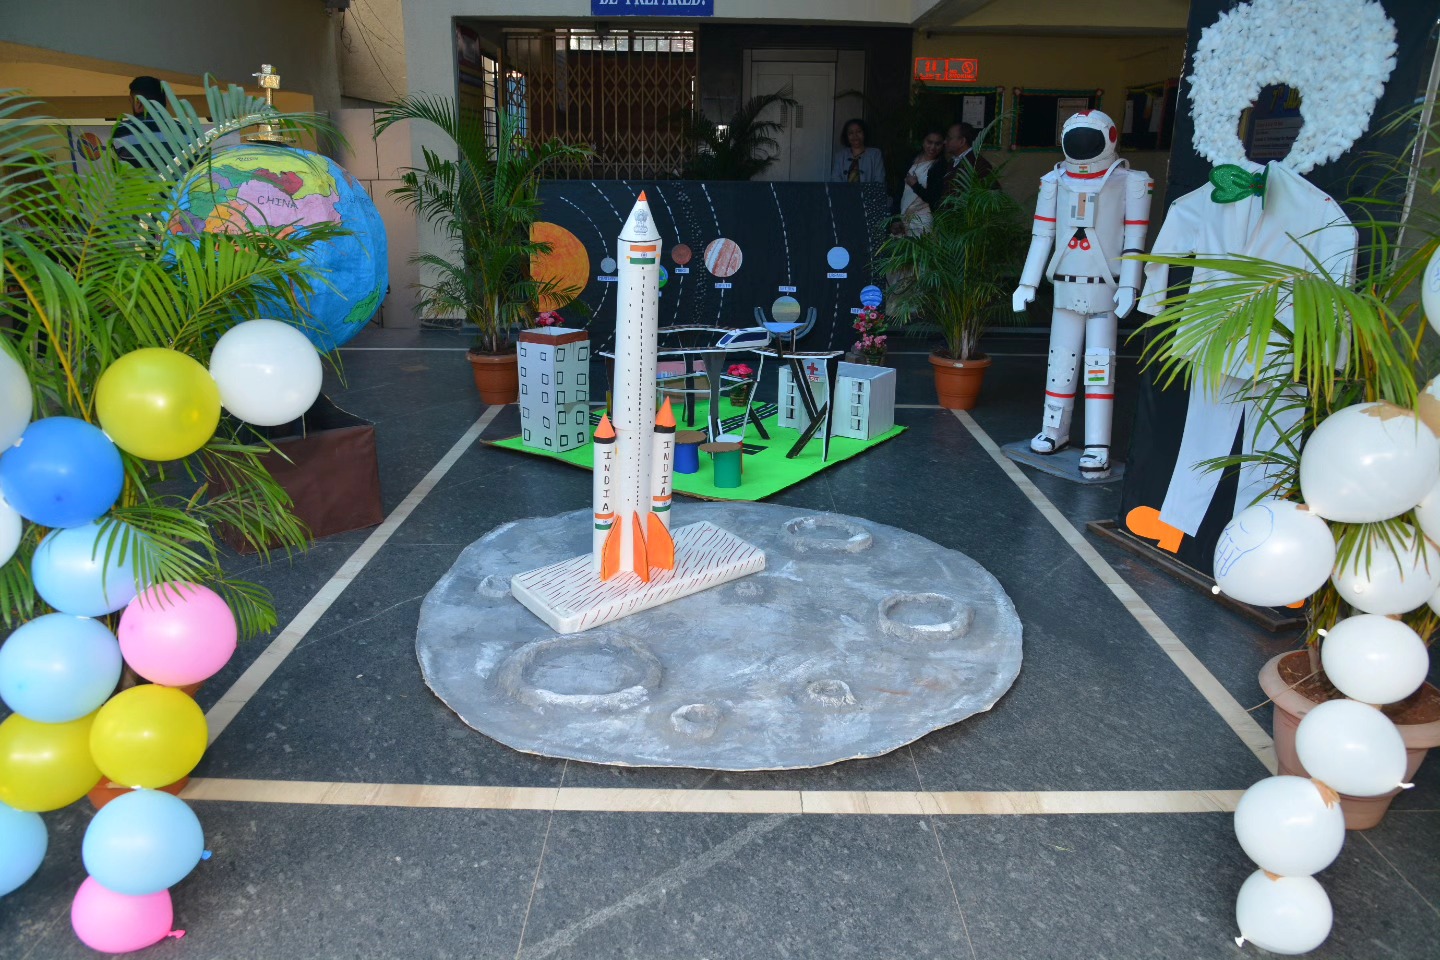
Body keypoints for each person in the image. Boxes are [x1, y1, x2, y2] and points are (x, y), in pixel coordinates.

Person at [911, 122, 995, 210]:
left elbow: (990, 197)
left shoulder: (977, 164)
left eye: (949, 138)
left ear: (962, 141)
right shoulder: (953, 162)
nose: (945, 141)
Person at [894, 129, 945, 235]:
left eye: (937, 144)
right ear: (923, 142)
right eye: (929, 142)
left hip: (923, 220)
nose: (933, 147)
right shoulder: (911, 159)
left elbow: (933, 197)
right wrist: (895, 218)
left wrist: (915, 185)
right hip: (903, 216)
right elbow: (899, 191)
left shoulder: (940, 167)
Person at [112, 76, 167, 168]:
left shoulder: (122, 131)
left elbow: (117, 170)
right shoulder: (186, 131)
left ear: (138, 102)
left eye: (131, 101)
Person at [830, 118, 885, 184]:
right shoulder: (840, 156)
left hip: (868, 191)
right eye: (851, 133)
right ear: (846, 136)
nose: (855, 136)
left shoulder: (875, 154)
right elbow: (835, 179)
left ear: (864, 133)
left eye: (859, 131)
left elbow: (879, 180)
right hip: (843, 191)